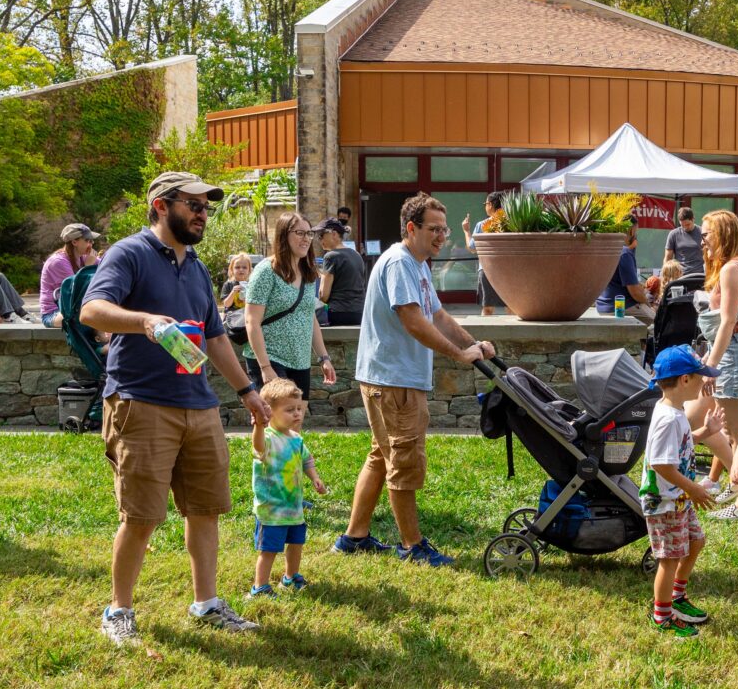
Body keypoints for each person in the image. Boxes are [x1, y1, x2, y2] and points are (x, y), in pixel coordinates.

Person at [78, 171, 273, 645]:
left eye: (207, 207)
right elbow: (91, 310)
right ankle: (118, 610)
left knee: (205, 509)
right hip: (141, 401)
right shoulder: (130, 253)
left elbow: (214, 336)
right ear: (162, 206)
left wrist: (247, 391)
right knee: (141, 515)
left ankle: (206, 602)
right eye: (194, 205)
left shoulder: (198, 267)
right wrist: (143, 320)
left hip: (198, 403)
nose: (203, 214)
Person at [336, 193, 496, 566]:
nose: (442, 236)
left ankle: (354, 536)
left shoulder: (419, 264)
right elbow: (412, 320)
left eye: (444, 229)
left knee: (382, 456)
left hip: (394, 377)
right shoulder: (399, 263)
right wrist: (458, 355)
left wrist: (474, 345)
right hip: (394, 380)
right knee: (403, 462)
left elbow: (437, 316)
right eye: (434, 229)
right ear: (412, 228)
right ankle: (413, 546)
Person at [640, 345, 718, 636]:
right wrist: (694, 489)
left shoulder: (675, 411)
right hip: (665, 501)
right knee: (669, 559)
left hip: (678, 498)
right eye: (700, 376)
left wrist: (704, 432)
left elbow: (679, 449)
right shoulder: (667, 418)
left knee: (695, 541)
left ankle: (677, 597)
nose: (703, 382)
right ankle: (662, 615)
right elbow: (661, 464)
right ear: (685, 380)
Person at [697, 210, 738, 523]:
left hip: (731, 354)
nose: (703, 238)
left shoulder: (732, 269)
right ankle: (735, 483)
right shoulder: (733, 267)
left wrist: (711, 364)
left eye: (707, 233)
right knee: (705, 421)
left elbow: (728, 322)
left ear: (722, 234)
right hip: (730, 352)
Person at [246, 377, 327, 599]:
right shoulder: (269, 438)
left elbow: (306, 460)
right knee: (269, 549)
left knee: (296, 543)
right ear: (269, 412)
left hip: (293, 507)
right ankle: (260, 586)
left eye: (299, 409)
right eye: (290, 409)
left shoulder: (296, 438)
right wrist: (259, 428)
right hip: (271, 509)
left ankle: (290, 577)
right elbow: (258, 447)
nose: (297, 414)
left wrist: (315, 478)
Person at [242, 213, 336, 398]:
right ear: (284, 235)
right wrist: (265, 367)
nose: (306, 239)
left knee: (295, 419)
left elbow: (310, 318)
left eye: (309, 233)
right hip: (271, 358)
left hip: (300, 361)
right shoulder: (266, 271)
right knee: (278, 420)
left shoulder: (308, 273)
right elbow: (251, 321)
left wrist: (324, 358)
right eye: (300, 233)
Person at [40, 224, 101, 327]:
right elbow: (77, 292)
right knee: (92, 316)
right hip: (53, 314)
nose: (91, 244)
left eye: (92, 241)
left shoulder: (83, 257)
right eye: (88, 240)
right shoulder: (58, 262)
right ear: (74, 242)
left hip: (73, 310)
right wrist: (88, 267)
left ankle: (105, 340)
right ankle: (104, 340)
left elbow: (107, 265)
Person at [461, 191, 505, 316]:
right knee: (511, 307)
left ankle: (486, 336)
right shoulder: (512, 222)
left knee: (487, 308)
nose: (485, 206)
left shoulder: (483, 225)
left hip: (487, 270)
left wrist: (466, 231)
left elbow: (472, 247)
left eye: (485, 203)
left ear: (490, 205)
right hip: (508, 270)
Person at [315, 218, 367, 326]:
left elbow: (323, 296)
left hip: (339, 313)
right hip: (360, 312)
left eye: (321, 235)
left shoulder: (331, 256)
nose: (320, 240)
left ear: (334, 234)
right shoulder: (356, 255)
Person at [596, 227, 653, 321]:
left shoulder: (606, 249)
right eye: (636, 230)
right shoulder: (625, 253)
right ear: (632, 230)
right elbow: (635, 292)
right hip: (621, 307)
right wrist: (648, 304)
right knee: (658, 324)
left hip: (602, 307)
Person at [666, 207, 704, 278]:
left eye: (687, 225)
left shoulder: (702, 232)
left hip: (699, 275)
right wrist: (666, 276)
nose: (685, 228)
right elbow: (668, 258)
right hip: (680, 276)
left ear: (693, 219)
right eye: (682, 225)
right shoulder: (673, 234)